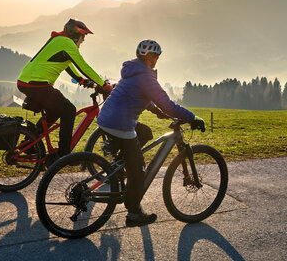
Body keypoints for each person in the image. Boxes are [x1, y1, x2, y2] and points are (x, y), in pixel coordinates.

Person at [96, 39, 205, 227]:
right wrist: (192, 117)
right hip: (120, 124)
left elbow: (140, 95)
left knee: (145, 132)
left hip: (107, 118)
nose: (157, 60)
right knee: (138, 171)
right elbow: (168, 104)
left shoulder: (133, 70)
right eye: (156, 57)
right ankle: (134, 213)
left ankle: (120, 164)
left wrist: (156, 111)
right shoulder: (145, 76)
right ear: (153, 58)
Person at [17, 18, 112, 157]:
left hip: (27, 82)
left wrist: (81, 80)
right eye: (83, 36)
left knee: (55, 111)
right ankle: (63, 154)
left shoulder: (60, 40)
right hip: (37, 84)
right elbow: (83, 66)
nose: (83, 40)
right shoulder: (67, 43)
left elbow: (66, 63)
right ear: (75, 35)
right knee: (69, 110)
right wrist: (103, 85)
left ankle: (29, 144)